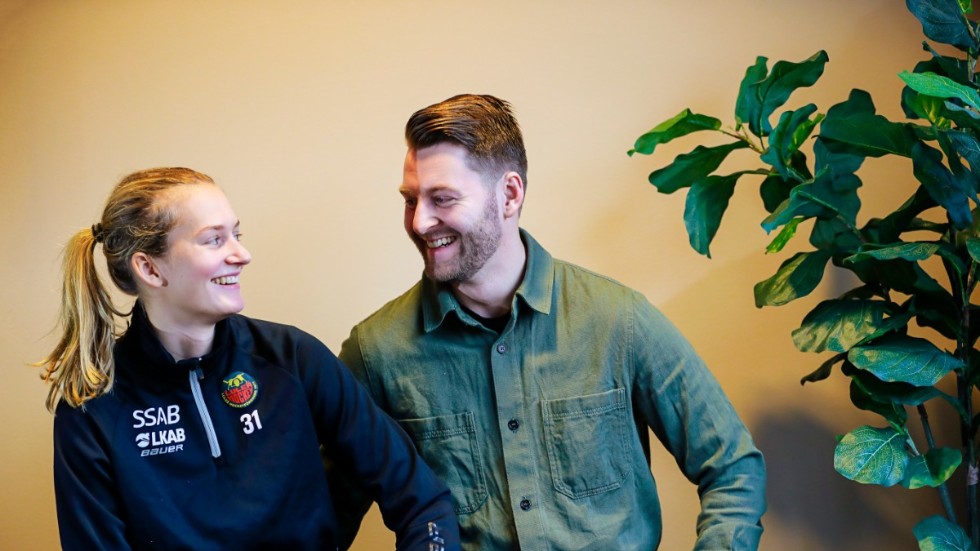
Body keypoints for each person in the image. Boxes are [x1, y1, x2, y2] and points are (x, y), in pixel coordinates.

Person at [334, 94, 767, 549]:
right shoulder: (376, 352)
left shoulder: (619, 320)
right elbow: (325, 516)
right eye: (411, 200)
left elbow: (732, 467)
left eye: (442, 199)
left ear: (509, 194)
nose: (421, 222)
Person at [37, 167, 460, 551]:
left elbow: (422, 500)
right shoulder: (91, 408)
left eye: (236, 234)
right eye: (214, 239)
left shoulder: (293, 358)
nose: (241, 254)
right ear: (150, 269)